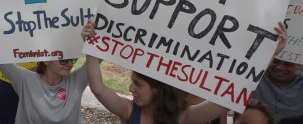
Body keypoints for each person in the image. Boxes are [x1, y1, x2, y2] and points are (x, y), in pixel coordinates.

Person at [81, 20, 287, 124]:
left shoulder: (183, 116)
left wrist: (266, 56)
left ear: (158, 88)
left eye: (138, 84)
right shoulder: (128, 110)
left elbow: (227, 98)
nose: (130, 88)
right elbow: (98, 89)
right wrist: (91, 44)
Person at [0, 3, 88, 124]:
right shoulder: (25, 80)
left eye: (72, 59)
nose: (69, 64)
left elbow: (97, 57)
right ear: (46, 59)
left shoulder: (77, 81)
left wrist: (90, 39)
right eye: (63, 60)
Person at [252, 57, 303, 123]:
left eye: (288, 64)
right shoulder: (252, 75)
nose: (279, 67)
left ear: (298, 66)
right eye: (275, 61)